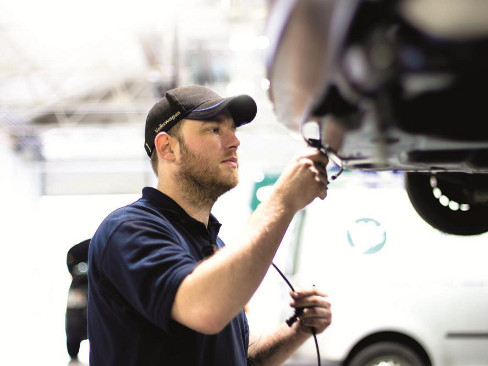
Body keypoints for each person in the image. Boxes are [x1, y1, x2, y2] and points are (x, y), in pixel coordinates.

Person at [88, 85, 332, 365]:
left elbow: (237, 359)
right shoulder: (128, 230)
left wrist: (297, 331)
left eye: (234, 130)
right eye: (215, 130)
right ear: (168, 147)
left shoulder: (214, 246)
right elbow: (204, 309)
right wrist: (283, 200)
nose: (234, 142)